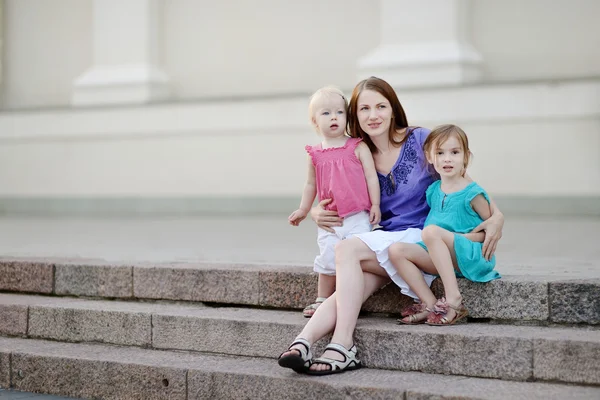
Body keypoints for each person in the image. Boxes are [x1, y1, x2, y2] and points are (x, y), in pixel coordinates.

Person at [277, 77, 504, 376]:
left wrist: (497, 215)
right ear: (353, 116)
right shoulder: (356, 151)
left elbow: (462, 181)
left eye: (381, 106)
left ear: (393, 108)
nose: (374, 115)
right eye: (364, 109)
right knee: (349, 287)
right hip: (384, 240)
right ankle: (302, 343)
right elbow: (328, 188)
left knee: (347, 250)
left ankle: (343, 344)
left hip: (420, 244)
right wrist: (317, 211)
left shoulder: (421, 139)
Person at [392, 124, 501, 326]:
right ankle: (430, 304)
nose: (447, 159)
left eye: (454, 152)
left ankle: (453, 299)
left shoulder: (472, 193)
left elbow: (488, 233)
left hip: (471, 255)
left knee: (431, 232)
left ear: (466, 157)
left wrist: (458, 238)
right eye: (440, 153)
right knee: (396, 250)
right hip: (444, 257)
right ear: (430, 157)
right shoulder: (433, 190)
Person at [288, 85, 381, 318]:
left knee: (353, 256)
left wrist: (376, 205)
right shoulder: (315, 153)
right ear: (314, 121)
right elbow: (311, 184)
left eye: (339, 113)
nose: (334, 118)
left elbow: (371, 177)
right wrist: (303, 208)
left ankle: (347, 297)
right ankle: (322, 299)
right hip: (330, 217)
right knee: (328, 255)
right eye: (326, 113)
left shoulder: (357, 146)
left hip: (357, 215)